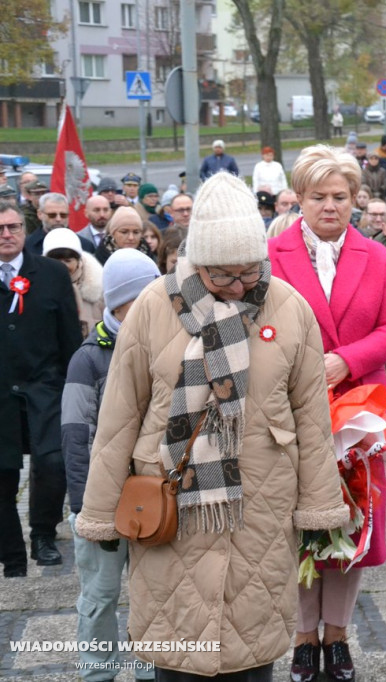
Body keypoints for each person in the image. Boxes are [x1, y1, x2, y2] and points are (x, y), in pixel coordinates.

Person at [74, 172, 349, 680]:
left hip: (261, 513)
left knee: (252, 657)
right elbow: (118, 417)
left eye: (250, 271)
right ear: (196, 262)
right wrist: (97, 512)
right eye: (223, 276)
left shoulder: (289, 308)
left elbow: (312, 416)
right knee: (175, 658)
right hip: (169, 511)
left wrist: (319, 508)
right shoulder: (153, 308)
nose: (240, 285)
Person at [266, 145, 386, 682]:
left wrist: (344, 359)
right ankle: (304, 637)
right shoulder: (273, 253)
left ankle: (339, 636)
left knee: (354, 523)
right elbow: (258, 325)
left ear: (356, 199)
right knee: (301, 525)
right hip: (293, 411)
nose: (330, 206)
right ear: (299, 198)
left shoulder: (377, 257)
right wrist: (306, 366)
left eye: (341, 197)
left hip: (360, 413)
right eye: (319, 196)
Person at [62, 248, 161, 679]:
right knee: (100, 596)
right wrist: (88, 506)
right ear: (117, 304)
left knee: (151, 594)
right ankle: (97, 671)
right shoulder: (88, 358)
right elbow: (74, 434)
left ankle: (150, 669)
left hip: (153, 498)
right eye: (141, 300)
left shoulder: (167, 346)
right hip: (103, 500)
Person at [0, 200, 81, 574]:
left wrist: (73, 386)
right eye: (0, 229)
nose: (7, 235)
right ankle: (12, 554)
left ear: (24, 229)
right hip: (2, 392)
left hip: (45, 386)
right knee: (4, 473)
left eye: (13, 227)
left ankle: (43, 536)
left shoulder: (50, 274)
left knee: (52, 462)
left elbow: (68, 336)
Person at [43, 227, 105, 338]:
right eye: (56, 261)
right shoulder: (38, 288)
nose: (62, 266)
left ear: (78, 261)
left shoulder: (98, 288)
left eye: (68, 260)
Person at [25, 192, 96, 255]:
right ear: (40, 214)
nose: (58, 219)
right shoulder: (26, 245)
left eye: (63, 215)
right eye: (52, 215)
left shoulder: (85, 245)